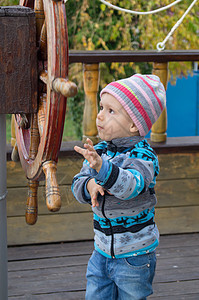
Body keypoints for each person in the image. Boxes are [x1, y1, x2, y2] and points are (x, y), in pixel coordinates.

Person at [71, 74, 166, 300]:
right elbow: (77, 185)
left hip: (135, 257)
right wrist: (90, 184)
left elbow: (130, 185)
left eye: (111, 111)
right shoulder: (99, 152)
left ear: (134, 124)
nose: (100, 115)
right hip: (101, 252)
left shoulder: (142, 156)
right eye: (101, 107)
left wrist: (102, 170)